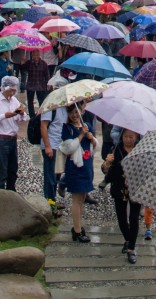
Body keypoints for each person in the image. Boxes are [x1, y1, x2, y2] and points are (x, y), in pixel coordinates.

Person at [103, 128, 142, 263]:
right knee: (121, 218)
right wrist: (107, 162)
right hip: (119, 187)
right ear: (122, 136)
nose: (129, 139)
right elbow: (105, 170)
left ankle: (131, 248)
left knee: (134, 217)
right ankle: (127, 239)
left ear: (136, 136)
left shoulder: (141, 149)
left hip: (136, 187)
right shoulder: (116, 149)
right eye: (126, 136)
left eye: (132, 137)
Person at [0, 75, 27, 190]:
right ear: (4, 88)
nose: (12, 93)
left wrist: (21, 114)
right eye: (11, 90)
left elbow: (23, 118)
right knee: (2, 169)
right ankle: (0, 193)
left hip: (13, 138)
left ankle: (11, 191)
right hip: (1, 138)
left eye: (14, 90)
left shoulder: (14, 101)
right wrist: (3, 116)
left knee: (13, 168)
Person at [60, 103, 97, 243]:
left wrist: (91, 138)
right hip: (75, 166)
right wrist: (81, 135)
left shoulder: (86, 124)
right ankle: (77, 230)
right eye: (72, 113)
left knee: (82, 199)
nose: (75, 115)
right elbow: (68, 148)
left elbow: (94, 144)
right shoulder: (67, 128)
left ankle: (78, 226)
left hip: (86, 164)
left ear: (81, 111)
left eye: (77, 112)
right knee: (76, 199)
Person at [40, 102, 69, 209]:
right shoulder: (50, 106)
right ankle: (50, 203)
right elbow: (43, 126)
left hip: (60, 145)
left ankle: (53, 200)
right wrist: (47, 146)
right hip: (51, 145)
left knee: (57, 174)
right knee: (50, 175)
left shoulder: (65, 108)